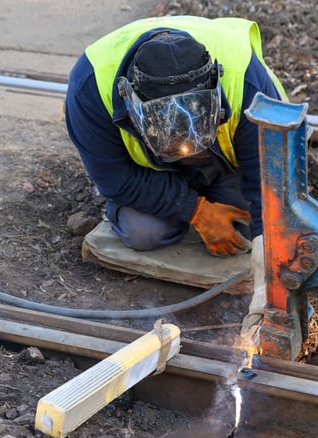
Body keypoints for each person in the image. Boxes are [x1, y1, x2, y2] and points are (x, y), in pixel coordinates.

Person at [64, 15, 286, 259]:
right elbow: (115, 178)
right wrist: (198, 211)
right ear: (131, 100)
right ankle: (182, 208)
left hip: (224, 167)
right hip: (153, 173)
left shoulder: (244, 79)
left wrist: (266, 248)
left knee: (254, 224)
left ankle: (216, 202)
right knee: (143, 232)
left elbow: (267, 174)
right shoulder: (91, 86)